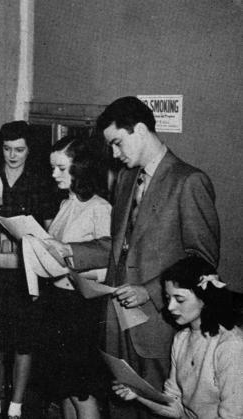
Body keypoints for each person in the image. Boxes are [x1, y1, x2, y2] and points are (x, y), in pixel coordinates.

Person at [46, 96, 220, 419]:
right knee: (120, 407)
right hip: (117, 321)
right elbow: (116, 246)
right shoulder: (127, 179)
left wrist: (150, 290)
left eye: (117, 143)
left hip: (157, 324)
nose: (114, 154)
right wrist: (70, 251)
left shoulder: (188, 182)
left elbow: (203, 261)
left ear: (139, 130)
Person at [0, 121, 59, 419]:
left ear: (30, 150)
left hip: (25, 273)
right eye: (7, 149)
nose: (12, 155)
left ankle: (16, 405)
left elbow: (48, 229)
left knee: (23, 339)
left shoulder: (42, 182)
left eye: (19, 150)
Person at [113, 256, 243, 418]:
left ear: (204, 298)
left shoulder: (231, 346)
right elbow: (174, 407)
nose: (170, 307)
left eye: (179, 299)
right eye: (168, 298)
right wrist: (138, 395)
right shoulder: (181, 338)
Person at [40, 136, 111, 419]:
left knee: (82, 390)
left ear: (80, 169)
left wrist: (70, 264)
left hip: (82, 308)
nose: (54, 174)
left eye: (61, 168)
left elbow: (109, 266)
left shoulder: (100, 208)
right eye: (52, 167)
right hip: (59, 303)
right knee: (65, 387)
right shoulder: (67, 203)